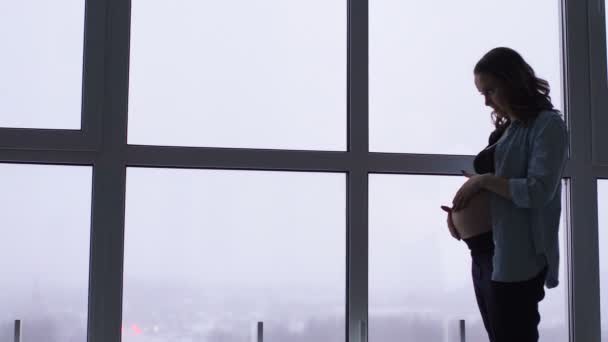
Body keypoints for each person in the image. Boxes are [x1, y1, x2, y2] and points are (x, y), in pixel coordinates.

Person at [443, 47, 568, 342]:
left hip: (516, 257)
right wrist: (459, 214)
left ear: (513, 81)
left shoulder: (547, 126)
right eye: (482, 94)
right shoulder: (506, 131)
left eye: (491, 91)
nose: (487, 102)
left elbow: (538, 191)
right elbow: (494, 191)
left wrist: (482, 182)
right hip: (483, 252)